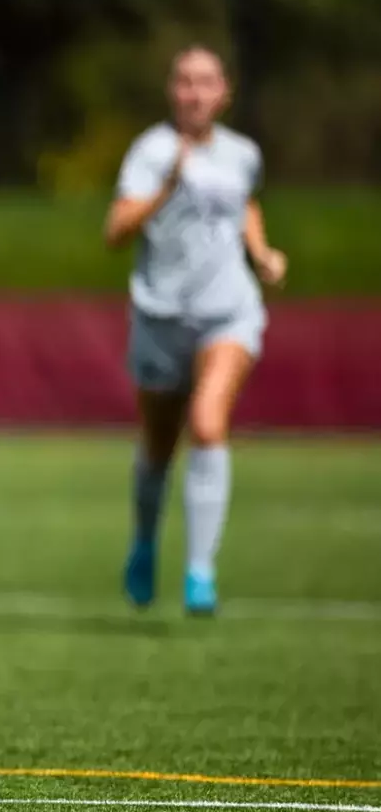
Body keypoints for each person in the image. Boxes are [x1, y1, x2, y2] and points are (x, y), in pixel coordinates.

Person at [105, 46, 287, 616]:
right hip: (161, 318)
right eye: (185, 82)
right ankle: (143, 544)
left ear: (224, 92)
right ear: (171, 91)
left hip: (227, 312)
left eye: (206, 82)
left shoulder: (242, 154)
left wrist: (260, 252)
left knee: (208, 425)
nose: (195, 93)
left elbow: (245, 207)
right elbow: (115, 231)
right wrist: (166, 185)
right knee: (158, 447)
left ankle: (199, 572)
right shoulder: (150, 153)